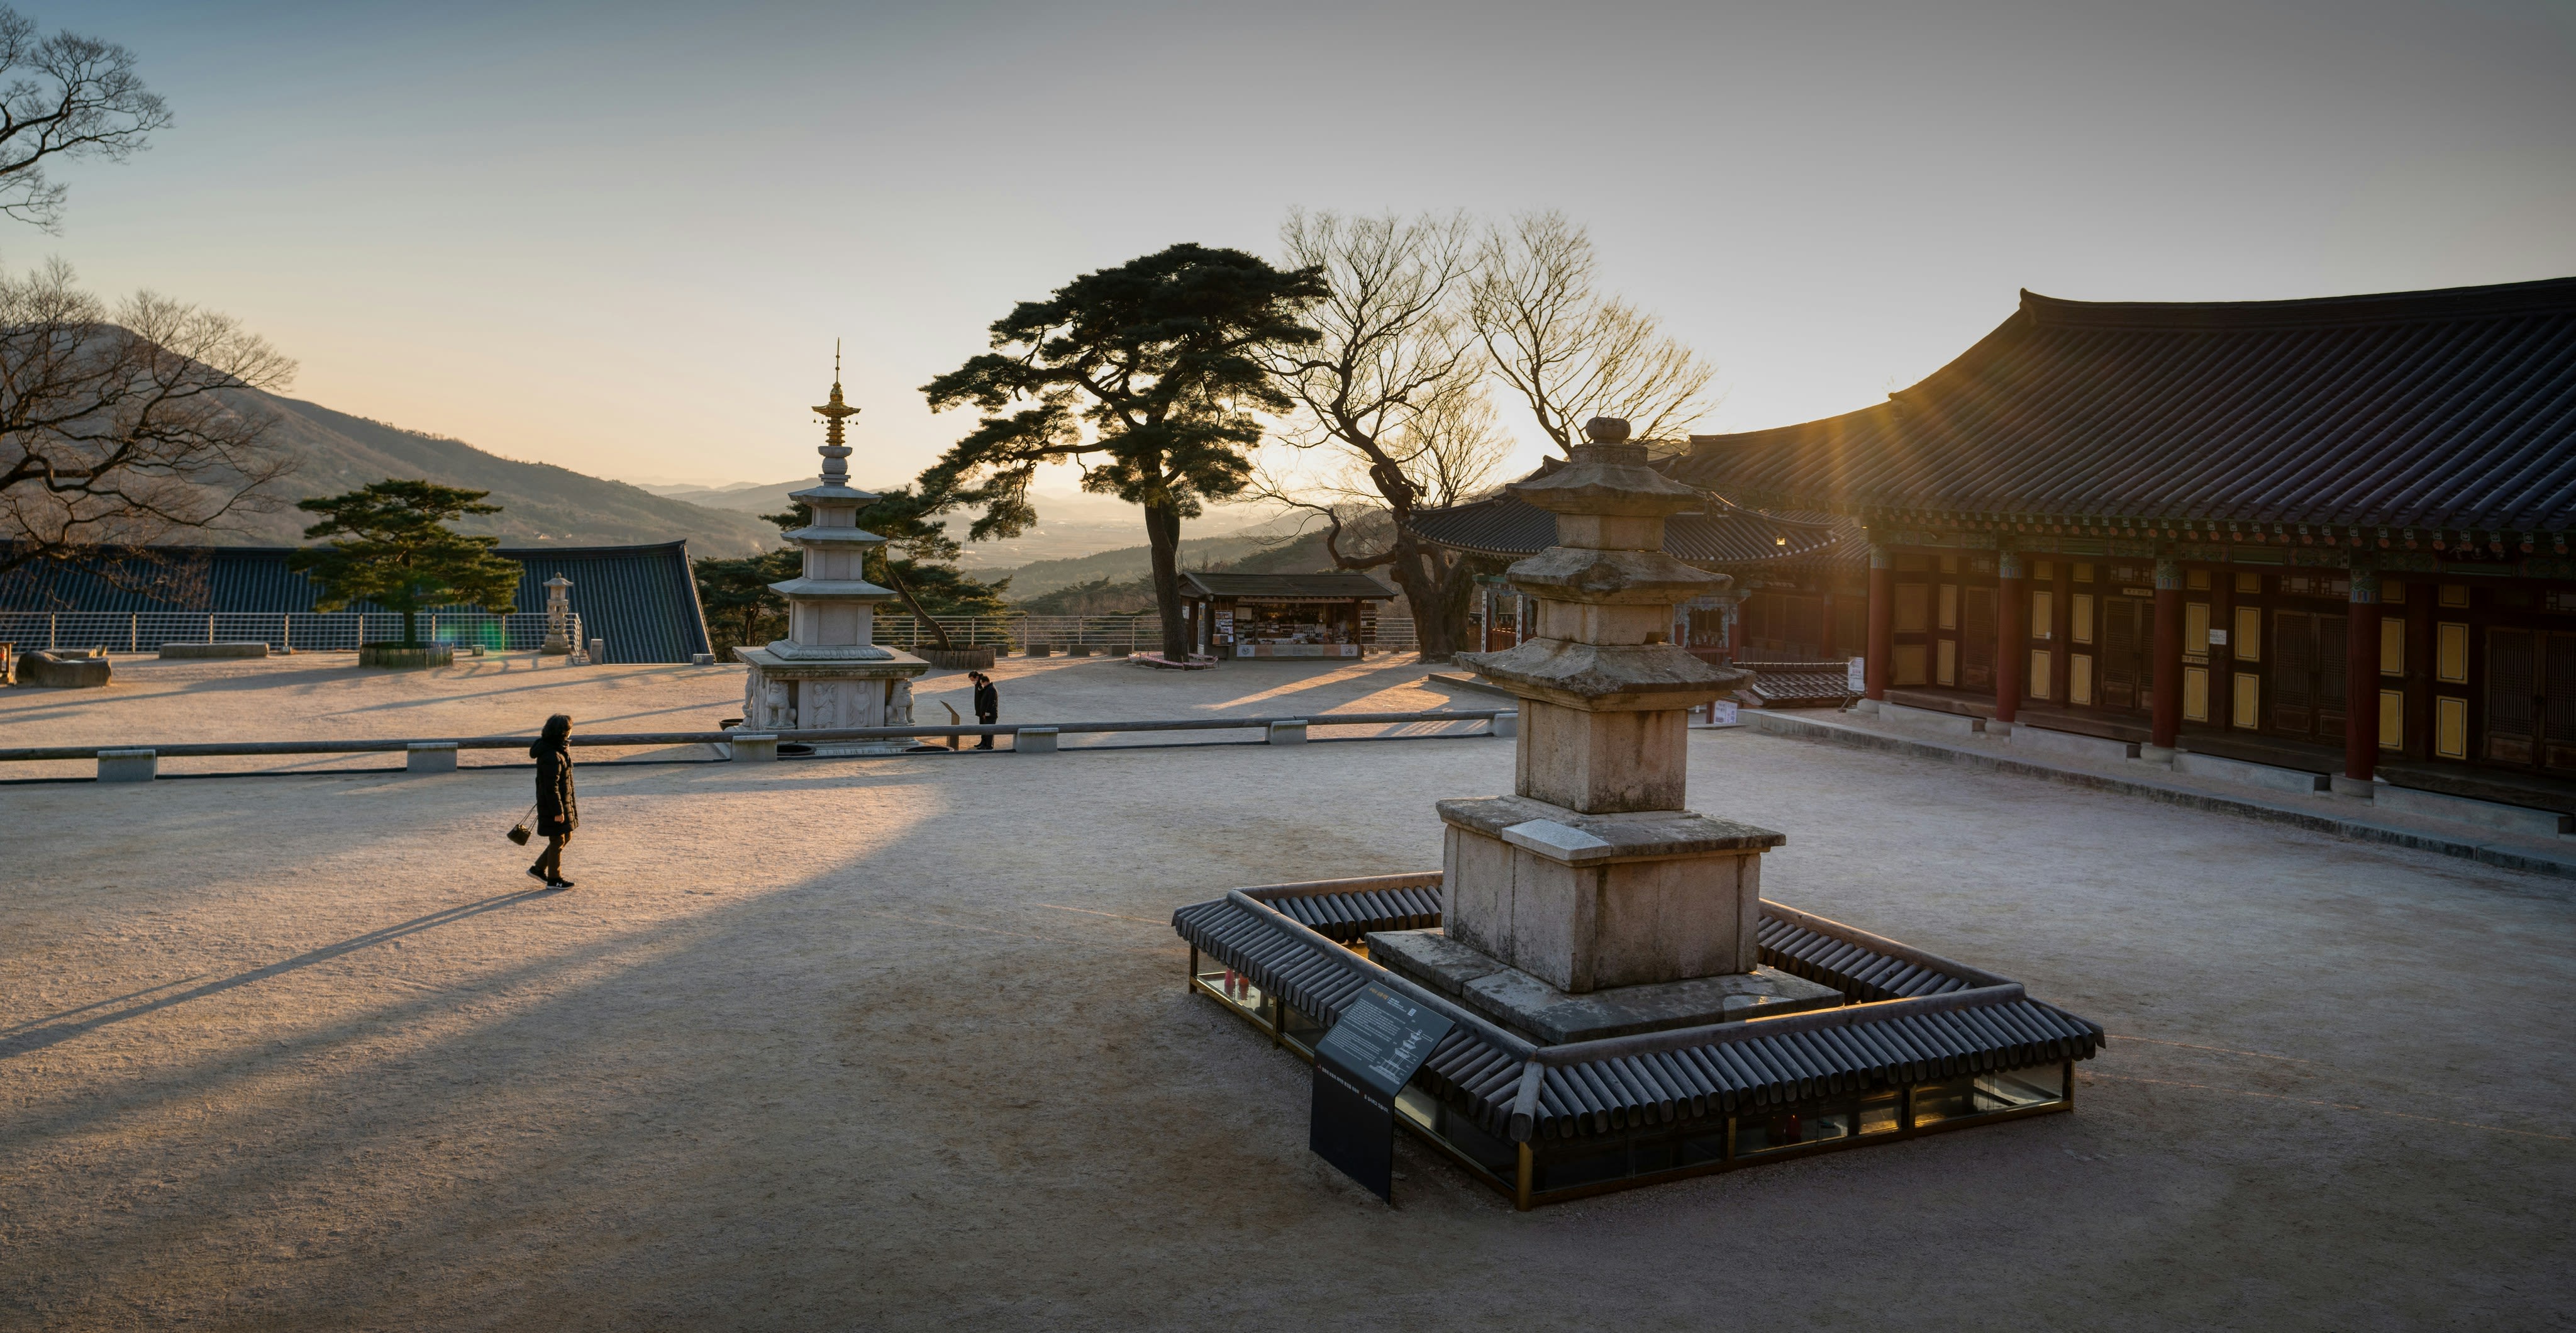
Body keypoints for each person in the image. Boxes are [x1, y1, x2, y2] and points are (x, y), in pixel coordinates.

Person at [528, 713, 578, 888]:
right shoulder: (551, 755)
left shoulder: (557, 749)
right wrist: (558, 811)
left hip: (561, 803)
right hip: (554, 805)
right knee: (557, 840)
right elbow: (551, 787)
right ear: (563, 732)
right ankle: (554, 879)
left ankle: (538, 868)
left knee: (567, 835)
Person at [970, 671, 999, 749]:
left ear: (985, 682)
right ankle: (986, 744)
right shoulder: (988, 688)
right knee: (985, 730)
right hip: (985, 713)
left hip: (989, 714)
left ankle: (989, 746)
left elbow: (991, 703)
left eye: (982, 683)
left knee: (989, 731)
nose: (982, 685)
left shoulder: (991, 689)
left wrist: (986, 713)